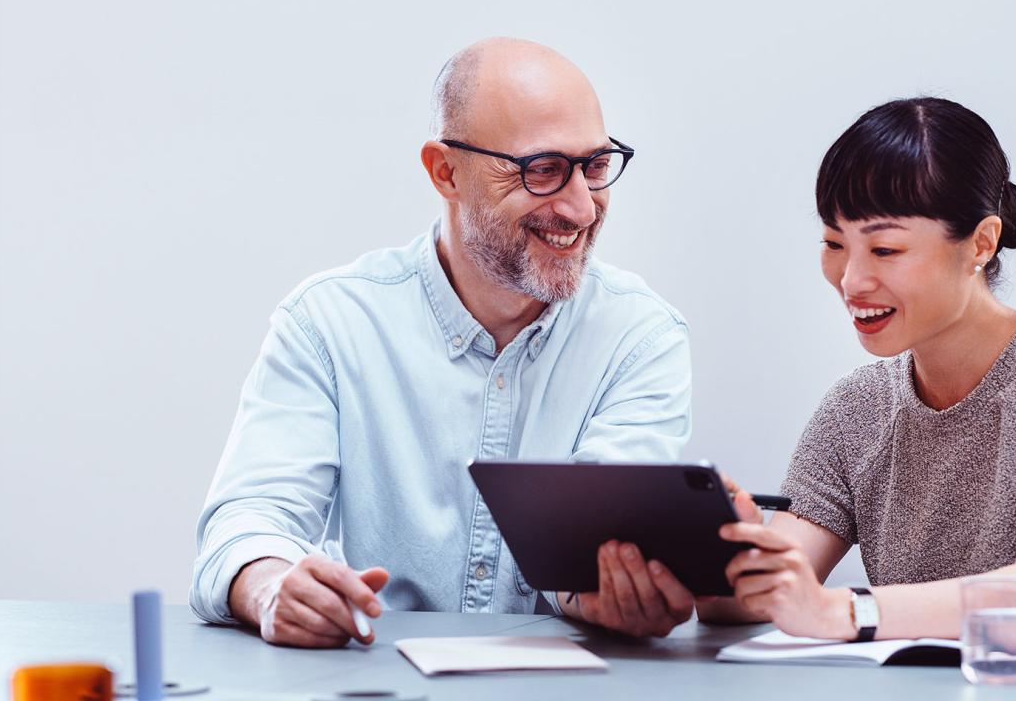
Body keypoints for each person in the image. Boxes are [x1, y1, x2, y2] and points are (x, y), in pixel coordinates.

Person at [191, 38, 698, 647]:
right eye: (542, 170)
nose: (582, 208)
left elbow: (603, 554)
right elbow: (247, 521)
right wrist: (272, 586)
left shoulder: (640, 337)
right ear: (445, 172)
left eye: (594, 166)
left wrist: (613, 589)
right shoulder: (329, 322)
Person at [699, 97, 1016, 639]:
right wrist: (739, 559)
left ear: (981, 243)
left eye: (885, 249)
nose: (851, 280)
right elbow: (751, 604)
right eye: (834, 243)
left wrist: (837, 610)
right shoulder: (854, 409)